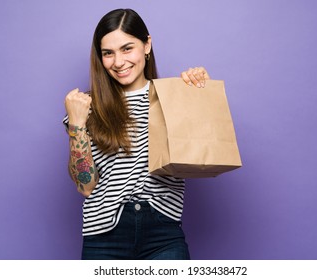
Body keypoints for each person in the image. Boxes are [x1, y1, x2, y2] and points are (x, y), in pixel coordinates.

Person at [63, 8, 210, 260]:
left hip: (163, 233)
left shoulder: (172, 96)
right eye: (108, 53)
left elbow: (199, 152)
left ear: (147, 45)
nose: (118, 62)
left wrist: (198, 91)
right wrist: (77, 124)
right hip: (104, 236)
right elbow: (86, 186)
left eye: (127, 48)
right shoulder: (86, 106)